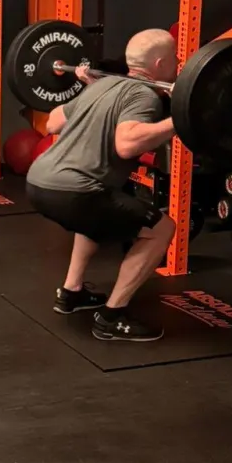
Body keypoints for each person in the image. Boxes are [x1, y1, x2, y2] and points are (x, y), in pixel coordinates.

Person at [26, 28, 179, 343]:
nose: (178, 62)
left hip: (38, 182)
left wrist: (93, 99)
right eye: (175, 57)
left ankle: (71, 293)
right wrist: (181, 120)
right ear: (160, 64)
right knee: (162, 229)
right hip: (75, 192)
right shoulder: (145, 96)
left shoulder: (102, 86)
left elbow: (53, 122)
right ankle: (112, 317)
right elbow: (126, 144)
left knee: (98, 212)